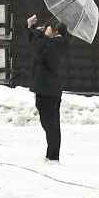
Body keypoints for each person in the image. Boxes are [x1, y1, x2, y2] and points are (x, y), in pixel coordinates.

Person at [27, 14, 69, 161]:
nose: (47, 29)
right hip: (50, 90)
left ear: (56, 32)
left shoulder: (55, 45)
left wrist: (40, 34)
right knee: (51, 123)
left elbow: (40, 51)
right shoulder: (56, 44)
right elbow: (38, 47)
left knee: (49, 124)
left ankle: (53, 156)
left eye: (50, 28)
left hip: (48, 91)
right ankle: (52, 154)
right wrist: (33, 29)